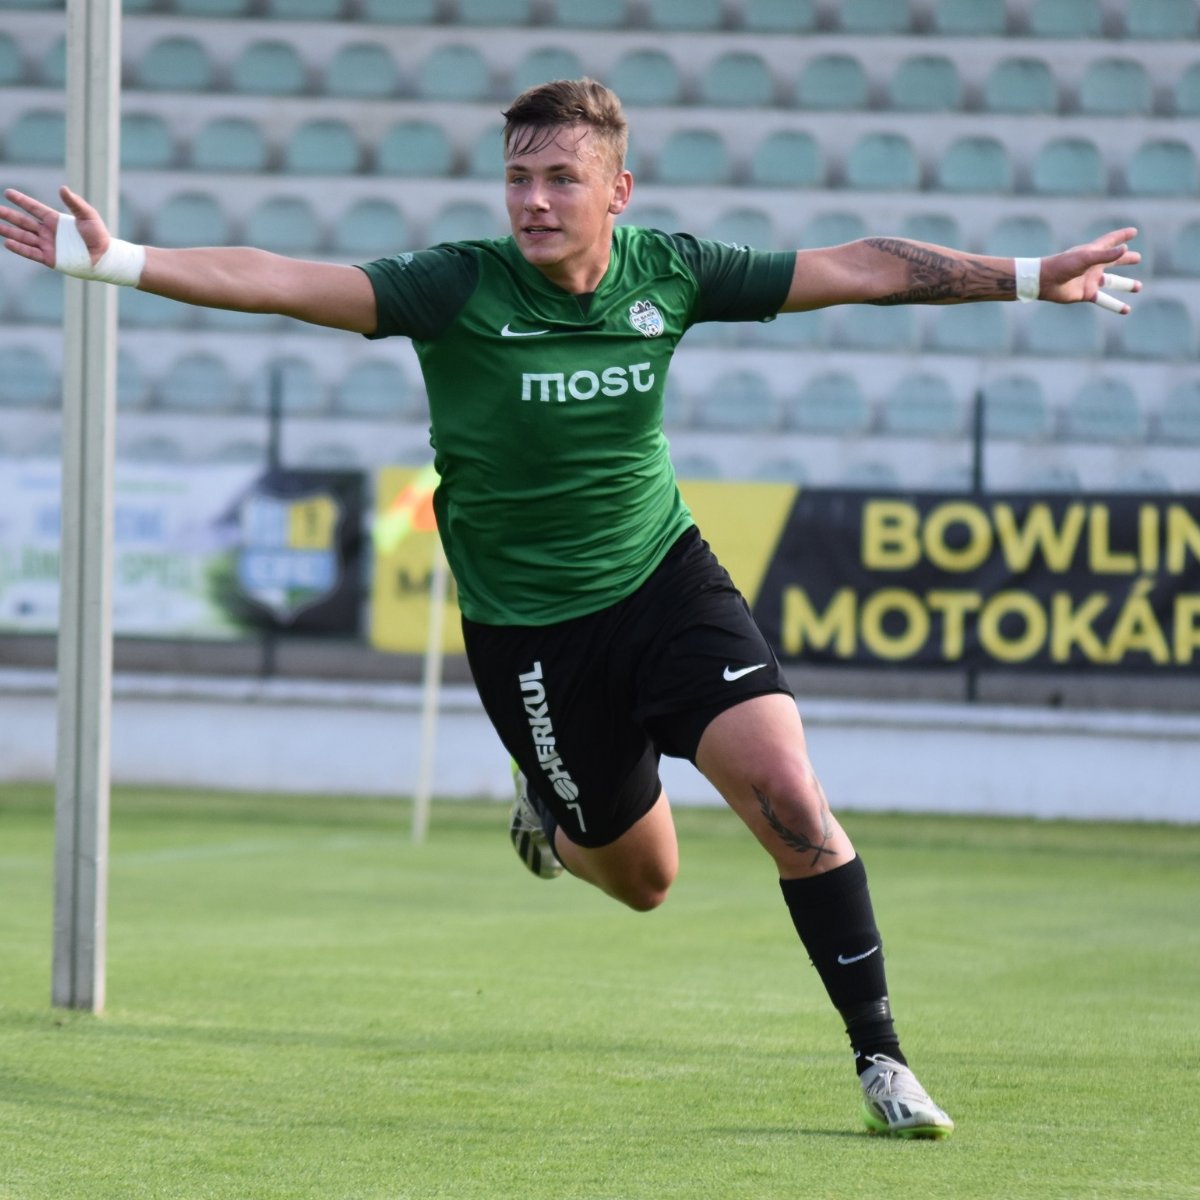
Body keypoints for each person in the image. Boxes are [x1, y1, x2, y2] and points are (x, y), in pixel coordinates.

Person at [2, 78, 1141, 1140]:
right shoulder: (457, 287)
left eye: (560, 178)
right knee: (645, 882)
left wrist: (1030, 276)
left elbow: (861, 267)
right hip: (532, 634)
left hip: (665, 582)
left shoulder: (672, 272)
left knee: (792, 796)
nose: (534, 202)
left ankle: (881, 1059)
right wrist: (123, 260)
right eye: (518, 178)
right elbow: (285, 280)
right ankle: (548, 822)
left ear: (617, 190)